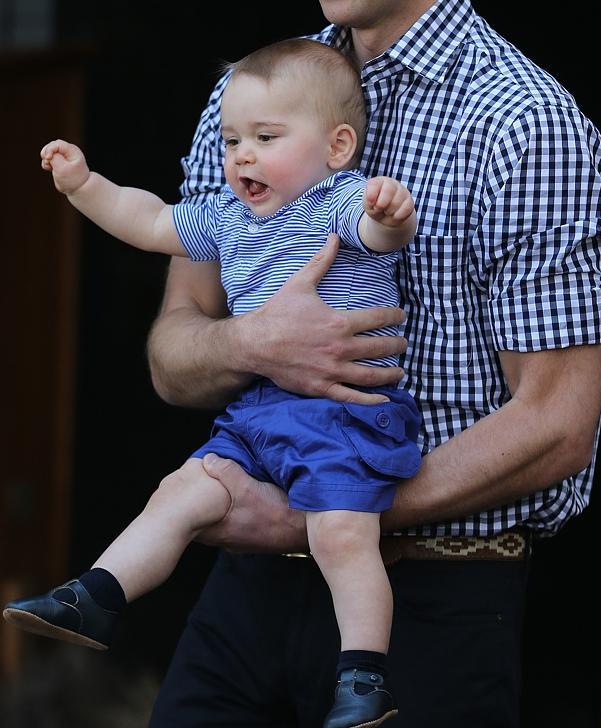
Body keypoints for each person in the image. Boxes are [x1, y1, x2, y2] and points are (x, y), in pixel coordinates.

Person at [99, 0, 601, 727]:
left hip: (436, 602)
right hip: (249, 590)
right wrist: (247, 345)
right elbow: (175, 354)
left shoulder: (525, 125)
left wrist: (333, 512)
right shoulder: (248, 102)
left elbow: (559, 422)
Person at [3, 39, 420, 728]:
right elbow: (151, 221)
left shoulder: (337, 201)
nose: (241, 155)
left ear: (338, 146)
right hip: (260, 412)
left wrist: (389, 212)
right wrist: (84, 186)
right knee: (180, 491)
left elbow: (380, 236)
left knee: (341, 536)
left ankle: (363, 673)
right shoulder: (228, 218)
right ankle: (97, 594)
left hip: (345, 415)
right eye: (230, 140)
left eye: (265, 137)